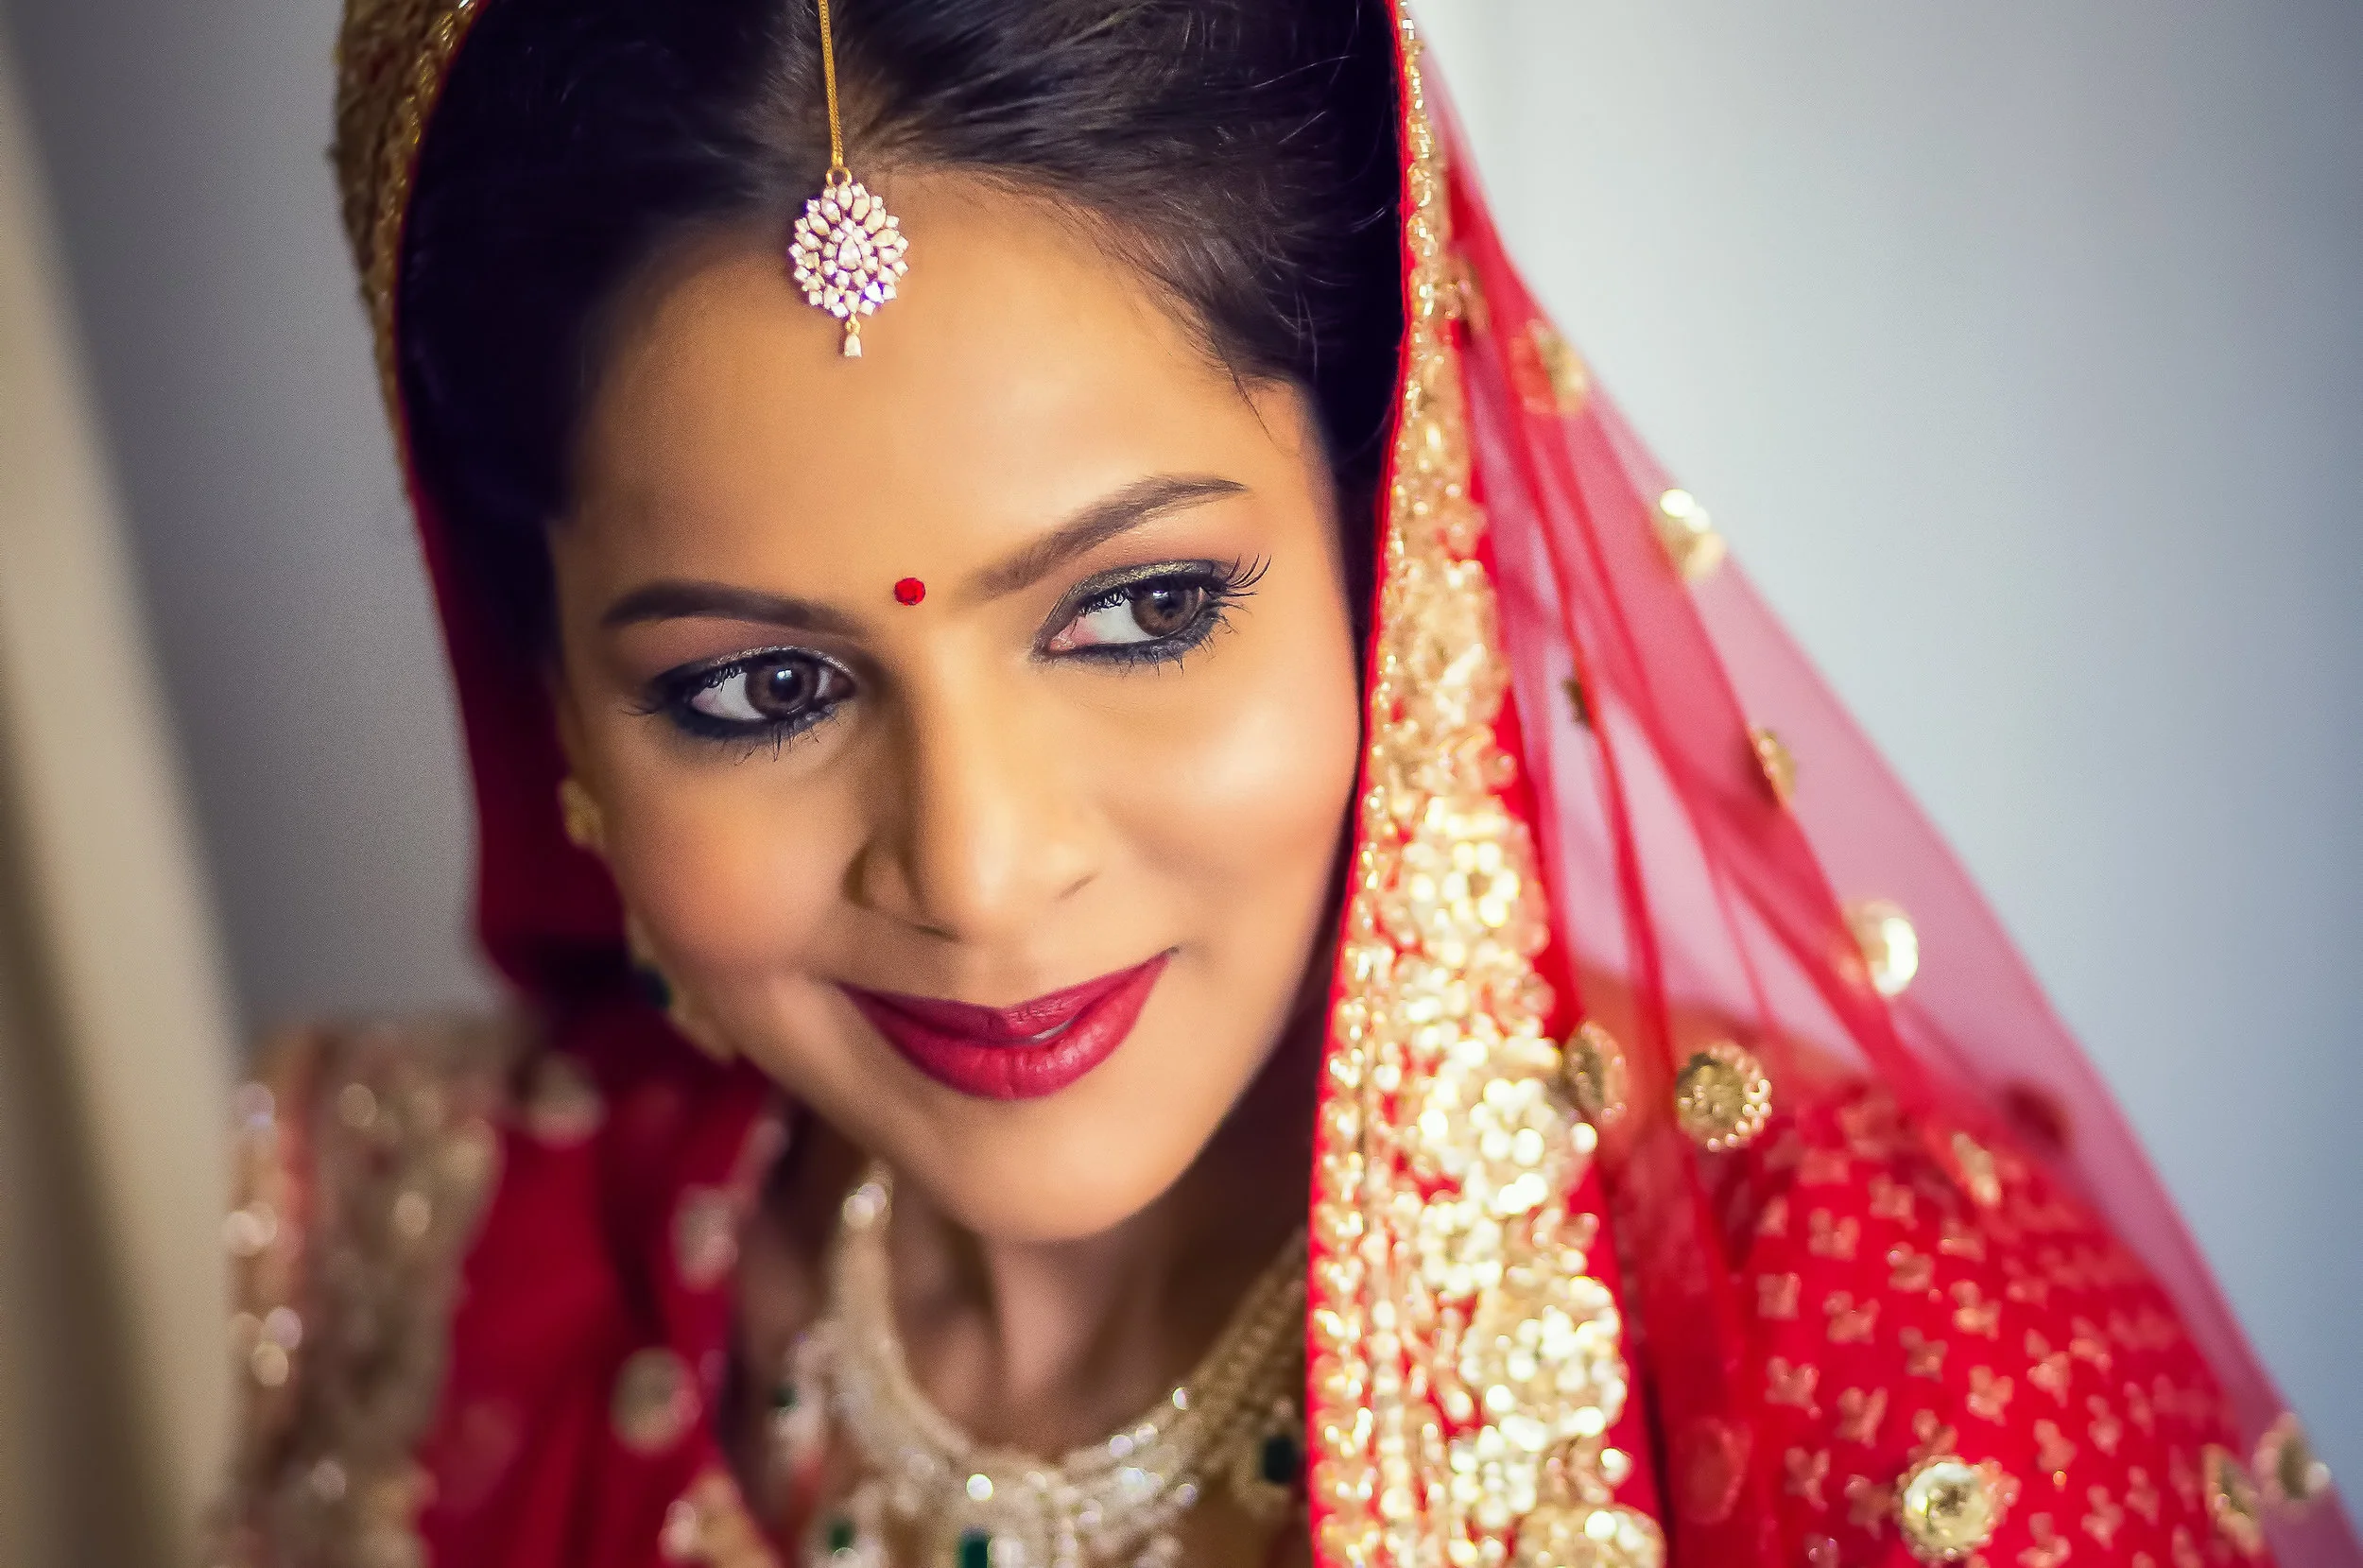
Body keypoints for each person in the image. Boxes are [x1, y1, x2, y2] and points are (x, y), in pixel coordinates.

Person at [208, 1, 2354, 1564]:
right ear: (553, 701)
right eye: (760, 684)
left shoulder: (1888, 1373)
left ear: (1389, 536)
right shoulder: (453, 1267)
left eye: (1138, 612)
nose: (978, 865)